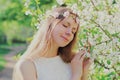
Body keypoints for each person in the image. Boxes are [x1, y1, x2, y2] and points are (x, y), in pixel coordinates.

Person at [13, 6, 92, 80]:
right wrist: (76, 75)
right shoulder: (27, 65)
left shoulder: (73, 61)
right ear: (50, 25)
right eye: (65, 25)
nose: (69, 33)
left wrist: (84, 73)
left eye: (73, 31)